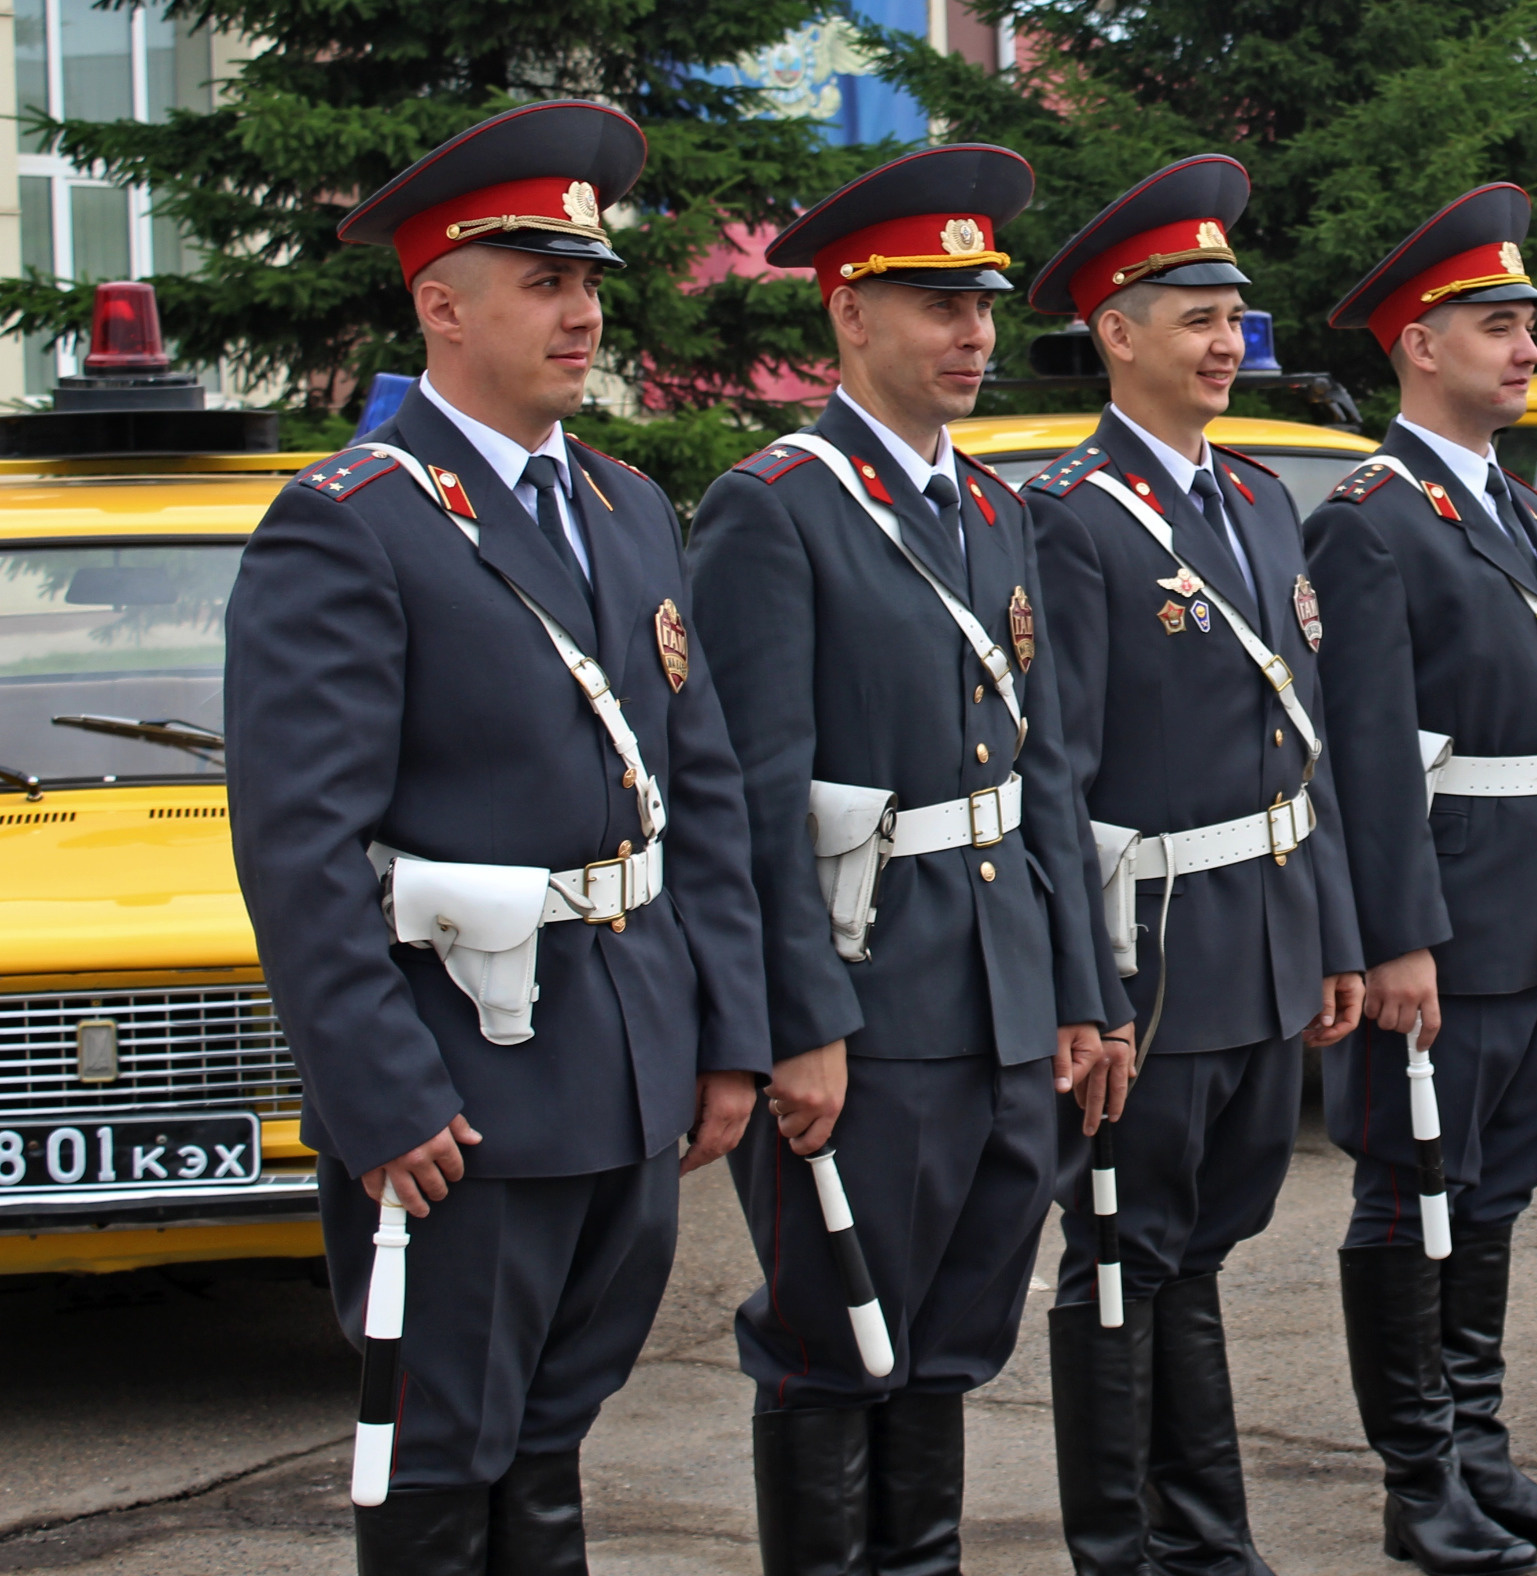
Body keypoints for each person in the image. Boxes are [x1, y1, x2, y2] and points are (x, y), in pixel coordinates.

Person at [228, 102, 768, 1574]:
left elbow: (697, 790)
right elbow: (298, 845)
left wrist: (725, 1031)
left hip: (628, 1060)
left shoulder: (625, 503)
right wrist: (378, 1094)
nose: (584, 312)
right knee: (440, 1460)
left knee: (552, 1439)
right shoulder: (350, 523)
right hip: (460, 1086)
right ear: (440, 304)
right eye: (544, 282)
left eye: (590, 281)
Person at [687, 146, 1125, 1576]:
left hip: (1001, 1001)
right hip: (869, 1011)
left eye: (984, 306)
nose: (974, 336)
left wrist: (1082, 988)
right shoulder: (779, 506)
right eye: (938, 304)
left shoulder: (994, 511)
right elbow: (750, 803)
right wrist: (797, 1024)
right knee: (832, 1341)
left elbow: (1046, 773)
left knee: (946, 1346)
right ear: (849, 316)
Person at [1019, 155, 1366, 1576]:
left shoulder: (1259, 499)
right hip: (1151, 948)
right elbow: (1059, 770)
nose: (1227, 346)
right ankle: (1124, 1546)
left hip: (1266, 929)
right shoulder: (1072, 513)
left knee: (1204, 1245)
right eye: (1193, 319)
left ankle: (1205, 1537)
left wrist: (1336, 930)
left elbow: (1312, 744)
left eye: (1234, 318)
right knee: (1122, 1249)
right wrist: (1083, 987)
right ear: (1116, 332)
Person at [1304, 185, 1537, 1572]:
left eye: (1531, 327)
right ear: (1419, 346)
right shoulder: (1372, 519)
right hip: (1443, 918)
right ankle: (1417, 1479)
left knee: (1495, 1191)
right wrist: (1394, 938)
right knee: (1411, 1194)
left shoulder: (1524, 509)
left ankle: (1481, 1450)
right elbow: (1367, 754)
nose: (1526, 350)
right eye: (1497, 327)